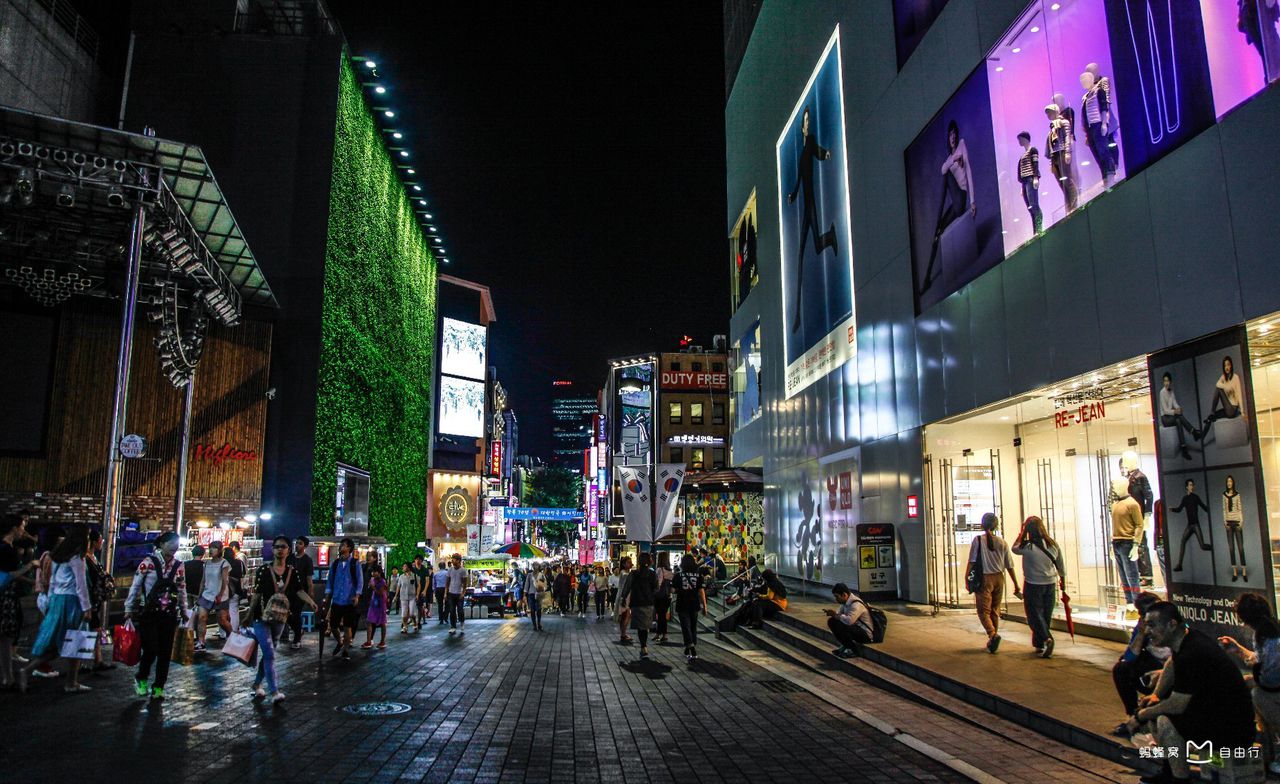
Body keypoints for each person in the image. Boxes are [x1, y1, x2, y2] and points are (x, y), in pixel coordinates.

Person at [1123, 601, 1254, 784]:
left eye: (1152, 625)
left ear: (1171, 624)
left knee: (1164, 720)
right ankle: (1169, 771)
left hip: (1232, 727)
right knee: (1156, 710)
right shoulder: (1187, 638)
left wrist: (1140, 716)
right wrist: (1156, 695)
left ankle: (1180, 779)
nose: (1148, 631)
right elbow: (1171, 664)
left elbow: (1177, 705)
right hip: (1213, 713)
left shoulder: (1193, 653)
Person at [785, 104, 840, 330]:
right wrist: (793, 194)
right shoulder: (801, 151)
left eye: (808, 120)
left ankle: (830, 238)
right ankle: (797, 316)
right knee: (801, 254)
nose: (807, 124)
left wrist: (826, 153)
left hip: (811, 206)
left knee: (815, 246)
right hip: (805, 206)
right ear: (801, 127)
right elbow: (800, 178)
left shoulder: (810, 142)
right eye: (805, 121)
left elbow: (818, 150)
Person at [18, 527, 93, 693]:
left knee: (54, 645)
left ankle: (27, 669)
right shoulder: (77, 559)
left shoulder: (57, 557)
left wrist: (51, 601)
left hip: (57, 601)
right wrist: (87, 608)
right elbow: (81, 586)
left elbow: (52, 582)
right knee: (76, 642)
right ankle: (72, 682)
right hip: (72, 602)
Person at [123, 531, 188, 700]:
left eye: (177, 543)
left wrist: (184, 610)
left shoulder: (179, 566)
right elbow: (136, 586)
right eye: (172, 543)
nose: (175, 546)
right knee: (151, 648)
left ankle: (159, 686)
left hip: (169, 615)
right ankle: (142, 678)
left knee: (165, 652)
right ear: (162, 544)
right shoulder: (148, 563)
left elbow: (182, 590)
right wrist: (128, 608)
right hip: (149, 614)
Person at [248, 535, 314, 703]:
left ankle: (256, 684)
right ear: (272, 549)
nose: (280, 549)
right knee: (269, 652)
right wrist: (248, 615)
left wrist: (311, 601)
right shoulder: (263, 570)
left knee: (268, 654)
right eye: (277, 546)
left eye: (283, 547)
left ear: (288, 550)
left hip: (280, 616)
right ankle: (274, 691)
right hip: (261, 616)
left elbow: (299, 590)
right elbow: (256, 594)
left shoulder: (292, 571)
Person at [1220, 593, 1280, 773]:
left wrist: (1250, 681)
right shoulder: (1271, 629)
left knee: (1256, 695)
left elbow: (1270, 677)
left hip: (1273, 690)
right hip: (1272, 685)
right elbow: (1265, 663)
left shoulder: (1266, 635)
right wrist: (1238, 650)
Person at [921, 119, 977, 292]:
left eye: (954, 133)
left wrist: (973, 201)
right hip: (956, 202)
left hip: (961, 196)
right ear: (947, 137)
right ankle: (927, 277)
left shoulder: (962, 145)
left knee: (946, 176)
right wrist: (954, 159)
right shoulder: (951, 157)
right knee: (938, 231)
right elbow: (943, 168)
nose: (952, 137)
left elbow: (968, 171)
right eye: (950, 134)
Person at [1110, 592, 1169, 737]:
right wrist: (1141, 634)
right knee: (1122, 667)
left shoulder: (1171, 624)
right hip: (1153, 672)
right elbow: (1129, 657)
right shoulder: (1144, 628)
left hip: (1172, 674)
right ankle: (1133, 715)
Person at [1011, 516, 1066, 658]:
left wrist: (1021, 534)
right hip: (1051, 583)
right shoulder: (1052, 544)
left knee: (1034, 615)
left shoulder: (1027, 547)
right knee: (1045, 615)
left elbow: (1014, 548)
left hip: (1033, 584)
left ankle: (1047, 639)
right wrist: (1063, 580)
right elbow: (1060, 563)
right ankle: (1039, 644)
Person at [967, 512, 1019, 653]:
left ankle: (992, 634)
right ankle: (993, 641)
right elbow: (1009, 565)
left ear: (982, 524)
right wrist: (1016, 584)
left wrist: (967, 578)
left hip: (985, 578)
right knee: (994, 611)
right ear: (996, 525)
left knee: (983, 611)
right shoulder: (1002, 542)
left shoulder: (978, 540)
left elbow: (971, 562)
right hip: (999, 579)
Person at [1, 513, 37, 689]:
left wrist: (31, 581)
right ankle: (7, 678)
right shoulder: (5, 549)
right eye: (22, 526)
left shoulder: (8, 547)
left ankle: (7, 677)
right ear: (14, 529)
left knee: (6, 638)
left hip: (8, 594)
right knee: (6, 638)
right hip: (5, 597)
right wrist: (29, 567)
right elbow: (8, 575)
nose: (24, 530)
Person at [324, 538, 362, 661]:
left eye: (344, 545)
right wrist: (328, 594)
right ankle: (339, 642)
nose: (341, 547)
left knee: (347, 626)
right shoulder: (335, 564)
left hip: (349, 600)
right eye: (341, 545)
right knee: (333, 625)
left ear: (349, 548)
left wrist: (357, 595)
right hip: (336, 599)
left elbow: (359, 580)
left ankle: (345, 650)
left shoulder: (355, 563)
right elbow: (330, 580)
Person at [84, 529, 115, 670]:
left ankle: (97, 659)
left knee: (94, 629)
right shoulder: (85, 559)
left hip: (95, 598)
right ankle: (87, 661)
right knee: (91, 629)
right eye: (101, 540)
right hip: (88, 598)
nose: (102, 542)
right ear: (95, 542)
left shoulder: (93, 558)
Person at [194, 541, 232, 652]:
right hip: (207, 594)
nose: (211, 550)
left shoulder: (224, 563)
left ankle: (233, 636)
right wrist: (199, 595)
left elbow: (225, 581)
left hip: (220, 596)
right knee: (202, 618)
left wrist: (220, 594)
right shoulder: (206, 564)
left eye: (214, 548)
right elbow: (203, 580)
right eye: (210, 548)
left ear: (220, 550)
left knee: (222, 621)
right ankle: (201, 642)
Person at [1171, 479, 1212, 572]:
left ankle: (1214, 548)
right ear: (1187, 487)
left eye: (1192, 485)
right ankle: (1179, 565)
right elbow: (1179, 509)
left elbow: (1204, 507)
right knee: (1183, 541)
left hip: (1195, 525)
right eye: (1190, 485)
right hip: (1190, 526)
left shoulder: (1195, 497)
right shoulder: (1185, 499)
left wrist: (1210, 508)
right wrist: (1172, 509)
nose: (1192, 487)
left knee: (1202, 546)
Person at [825, 583, 873, 658]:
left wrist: (836, 615)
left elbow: (849, 621)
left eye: (837, 597)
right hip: (856, 629)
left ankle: (853, 650)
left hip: (866, 634)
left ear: (844, 594)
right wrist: (833, 615)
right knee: (832, 621)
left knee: (842, 626)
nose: (836, 599)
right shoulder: (845, 603)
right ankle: (846, 645)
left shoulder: (856, 604)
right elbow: (839, 615)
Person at [673, 554, 707, 661]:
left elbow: (673, 590)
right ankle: (690, 647)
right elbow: (701, 591)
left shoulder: (678, 575)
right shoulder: (698, 575)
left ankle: (691, 646)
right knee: (693, 626)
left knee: (686, 626)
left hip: (682, 603)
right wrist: (705, 606)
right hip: (694, 604)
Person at [1159, 372, 1199, 460]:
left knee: (1178, 420)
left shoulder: (1171, 391)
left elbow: (1175, 403)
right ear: (1163, 382)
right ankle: (1193, 432)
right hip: (1165, 418)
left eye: (1168, 381)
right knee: (1178, 417)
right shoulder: (1162, 393)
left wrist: (1179, 408)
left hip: (1171, 417)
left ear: (1170, 382)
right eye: (1165, 381)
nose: (1166, 383)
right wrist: (1175, 412)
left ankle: (1183, 448)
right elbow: (1165, 410)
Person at [1202, 355, 1244, 437]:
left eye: (1228, 364)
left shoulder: (1235, 377)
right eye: (1225, 365)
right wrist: (1226, 386)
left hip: (1233, 409)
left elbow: (1239, 394)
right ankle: (1201, 435)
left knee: (1218, 389)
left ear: (1231, 365)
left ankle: (1212, 411)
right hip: (1227, 408)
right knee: (1211, 417)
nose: (1227, 367)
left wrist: (1242, 411)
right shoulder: (1223, 377)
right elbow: (1217, 383)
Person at [628, 553, 658, 659]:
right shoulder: (652, 574)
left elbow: (628, 587)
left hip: (636, 602)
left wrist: (624, 599)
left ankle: (643, 646)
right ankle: (644, 646)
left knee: (641, 627)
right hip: (648, 602)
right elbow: (656, 588)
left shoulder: (634, 573)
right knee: (645, 626)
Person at [286, 536, 314, 649]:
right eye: (297, 543)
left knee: (296, 613)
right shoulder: (290, 558)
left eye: (300, 543)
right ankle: (298, 630)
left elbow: (309, 578)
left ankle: (297, 638)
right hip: (288, 590)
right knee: (286, 614)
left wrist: (310, 593)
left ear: (305, 546)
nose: (297, 545)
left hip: (301, 591)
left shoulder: (307, 560)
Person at [1223, 475, 1248, 582]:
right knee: (1231, 548)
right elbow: (1224, 509)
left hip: (1237, 521)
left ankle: (1244, 572)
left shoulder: (1237, 495)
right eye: (1227, 481)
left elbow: (1239, 508)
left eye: (1230, 481)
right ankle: (1234, 573)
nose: (1229, 483)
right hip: (1229, 522)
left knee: (1240, 547)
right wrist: (1224, 521)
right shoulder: (1224, 495)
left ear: (1233, 483)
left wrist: (1241, 521)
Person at [362, 565, 389, 649]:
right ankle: (369, 641)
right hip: (373, 603)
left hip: (381, 604)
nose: (373, 573)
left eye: (375, 572)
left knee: (382, 622)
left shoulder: (382, 581)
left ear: (379, 572)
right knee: (369, 621)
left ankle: (382, 641)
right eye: (372, 572)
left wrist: (373, 587)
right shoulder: (372, 579)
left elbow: (381, 593)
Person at [444, 554, 467, 635]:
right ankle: (453, 626)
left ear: (458, 561)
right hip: (451, 593)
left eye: (454, 559)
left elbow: (465, 584)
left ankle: (462, 623)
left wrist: (463, 593)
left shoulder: (463, 571)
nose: (452, 561)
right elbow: (447, 582)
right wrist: (445, 593)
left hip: (459, 593)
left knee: (460, 610)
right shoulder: (450, 570)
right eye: (452, 559)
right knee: (452, 610)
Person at [225, 540, 246, 633]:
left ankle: (223, 631)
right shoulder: (239, 562)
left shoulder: (223, 562)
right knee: (234, 610)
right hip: (236, 588)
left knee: (223, 611)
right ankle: (233, 630)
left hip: (224, 589)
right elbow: (243, 574)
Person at [653, 552, 673, 643]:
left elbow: (659, 583)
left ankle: (662, 634)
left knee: (660, 616)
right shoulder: (669, 570)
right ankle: (660, 634)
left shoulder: (659, 570)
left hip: (659, 596)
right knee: (662, 615)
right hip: (668, 596)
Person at [396, 561, 419, 633]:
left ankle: (415, 623)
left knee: (412, 612)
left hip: (412, 596)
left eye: (405, 566)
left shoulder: (414, 576)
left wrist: (417, 594)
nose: (403, 568)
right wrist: (396, 595)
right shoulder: (401, 577)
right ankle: (405, 626)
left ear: (408, 567)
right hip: (403, 596)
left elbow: (419, 585)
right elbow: (398, 586)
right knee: (404, 613)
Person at [615, 558, 634, 643]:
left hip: (624, 595)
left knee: (624, 615)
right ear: (624, 564)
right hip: (624, 595)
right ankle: (623, 633)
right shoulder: (624, 573)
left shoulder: (625, 573)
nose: (630, 564)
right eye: (628, 562)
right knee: (626, 615)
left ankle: (623, 633)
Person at [524, 564, 546, 631]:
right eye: (534, 566)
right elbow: (526, 585)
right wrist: (524, 594)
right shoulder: (529, 575)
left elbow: (544, 584)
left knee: (538, 610)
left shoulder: (541, 575)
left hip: (539, 594)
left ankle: (539, 623)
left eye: (536, 566)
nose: (535, 568)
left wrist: (542, 588)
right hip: (531, 594)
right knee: (532, 610)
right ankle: (534, 625)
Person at [411, 555, 431, 623]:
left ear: (422, 561)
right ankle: (413, 620)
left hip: (422, 590)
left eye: (419, 559)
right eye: (416, 559)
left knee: (420, 606)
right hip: (413, 590)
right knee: (412, 606)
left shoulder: (425, 570)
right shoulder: (412, 570)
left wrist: (425, 590)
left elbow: (427, 580)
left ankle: (419, 621)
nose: (418, 561)